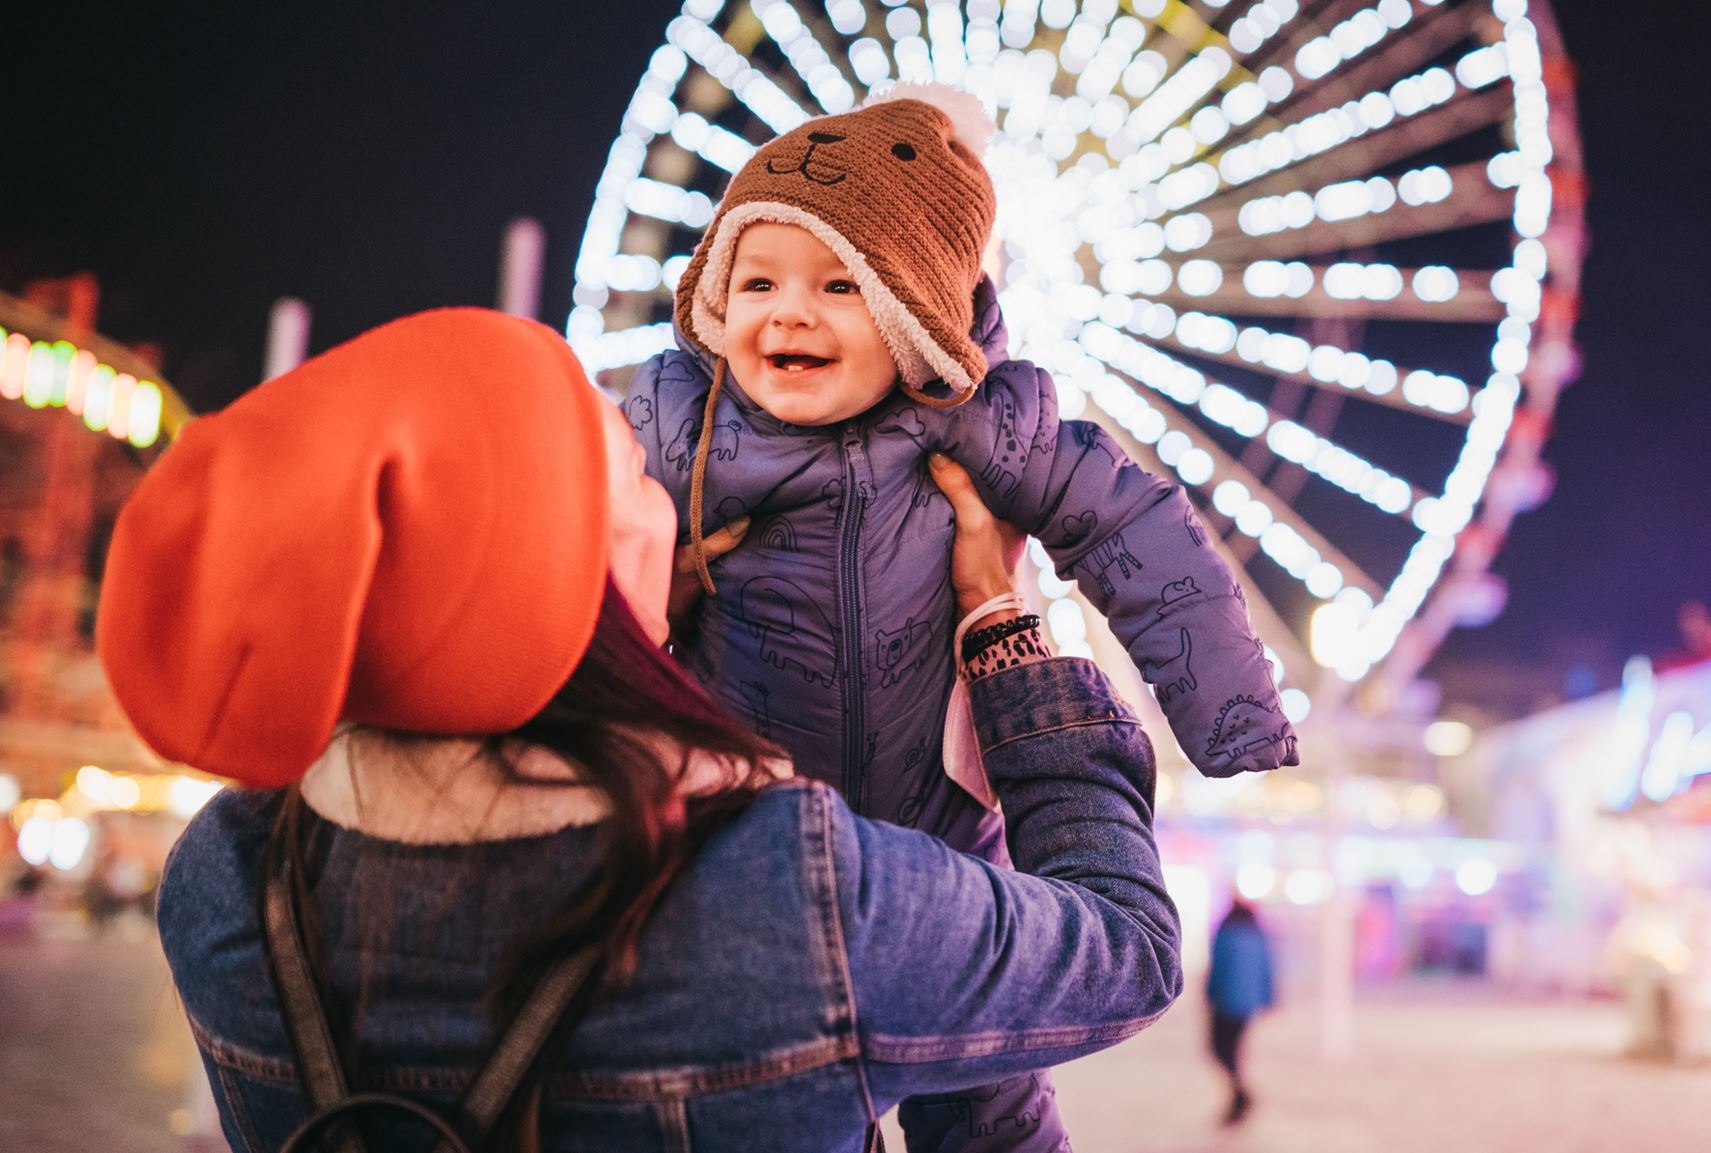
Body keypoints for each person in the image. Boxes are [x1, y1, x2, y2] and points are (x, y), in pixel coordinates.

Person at [96, 309, 1182, 1152]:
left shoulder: (230, 880)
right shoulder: (786, 894)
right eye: (623, 468)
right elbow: (1125, 947)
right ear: (571, 569)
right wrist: (1001, 623)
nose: (669, 499)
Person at [629, 82, 1295, 1148]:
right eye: (754, 281)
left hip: (942, 850)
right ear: (712, 301)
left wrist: (1231, 709)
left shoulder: (991, 428)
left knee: (988, 1102)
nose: (788, 312)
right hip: (740, 854)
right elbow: (557, 540)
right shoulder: (682, 427)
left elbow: (1136, 530)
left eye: (841, 285)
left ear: (920, 315)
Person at [1205, 898, 1275, 1125]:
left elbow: (1217, 968)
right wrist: (1268, 998)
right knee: (1231, 1052)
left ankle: (1241, 1096)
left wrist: (1209, 994)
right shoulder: (1258, 935)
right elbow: (1267, 969)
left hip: (1226, 1003)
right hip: (1247, 1005)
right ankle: (1239, 1097)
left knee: (1219, 1050)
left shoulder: (1226, 933)